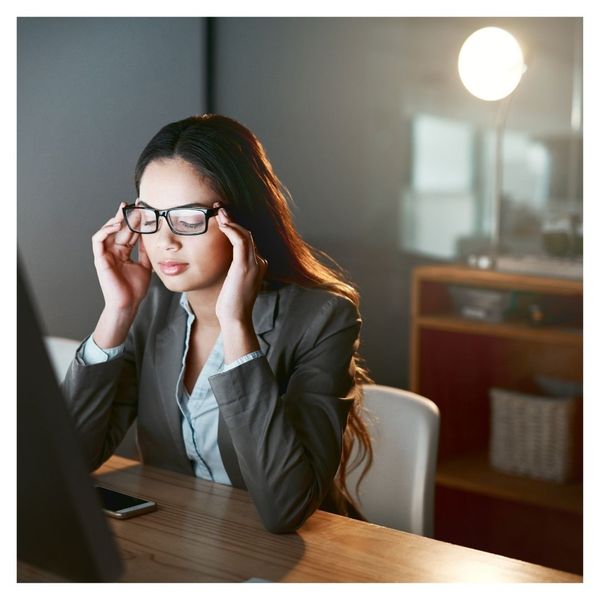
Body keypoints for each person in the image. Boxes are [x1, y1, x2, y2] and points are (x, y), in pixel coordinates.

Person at [62, 114, 373, 533]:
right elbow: (67, 464)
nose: (164, 240)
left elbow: (286, 510)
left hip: (292, 556)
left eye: (188, 218)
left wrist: (237, 326)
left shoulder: (323, 319)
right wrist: (116, 311)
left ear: (241, 220)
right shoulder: (150, 308)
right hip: (183, 535)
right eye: (150, 214)